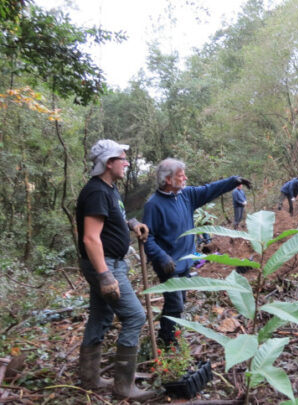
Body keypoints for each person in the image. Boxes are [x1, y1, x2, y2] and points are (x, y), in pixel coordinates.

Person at [76, 139, 154, 400]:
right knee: (135, 316)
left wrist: (132, 223)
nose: (127, 162)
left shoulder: (108, 189)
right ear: (109, 163)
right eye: (122, 158)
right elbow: (90, 237)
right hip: (106, 264)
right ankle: (124, 386)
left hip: (109, 262)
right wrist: (105, 275)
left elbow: (113, 217)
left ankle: (89, 376)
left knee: (101, 316)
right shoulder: (97, 191)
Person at [143, 158, 251, 346]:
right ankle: (168, 343)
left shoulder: (186, 195)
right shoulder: (154, 205)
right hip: (168, 265)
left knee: (178, 302)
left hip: (185, 262)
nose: (185, 178)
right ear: (168, 180)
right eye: (180, 175)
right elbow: (148, 239)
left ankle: (168, 336)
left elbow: (209, 190)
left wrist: (233, 181)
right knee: (175, 304)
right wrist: (161, 257)